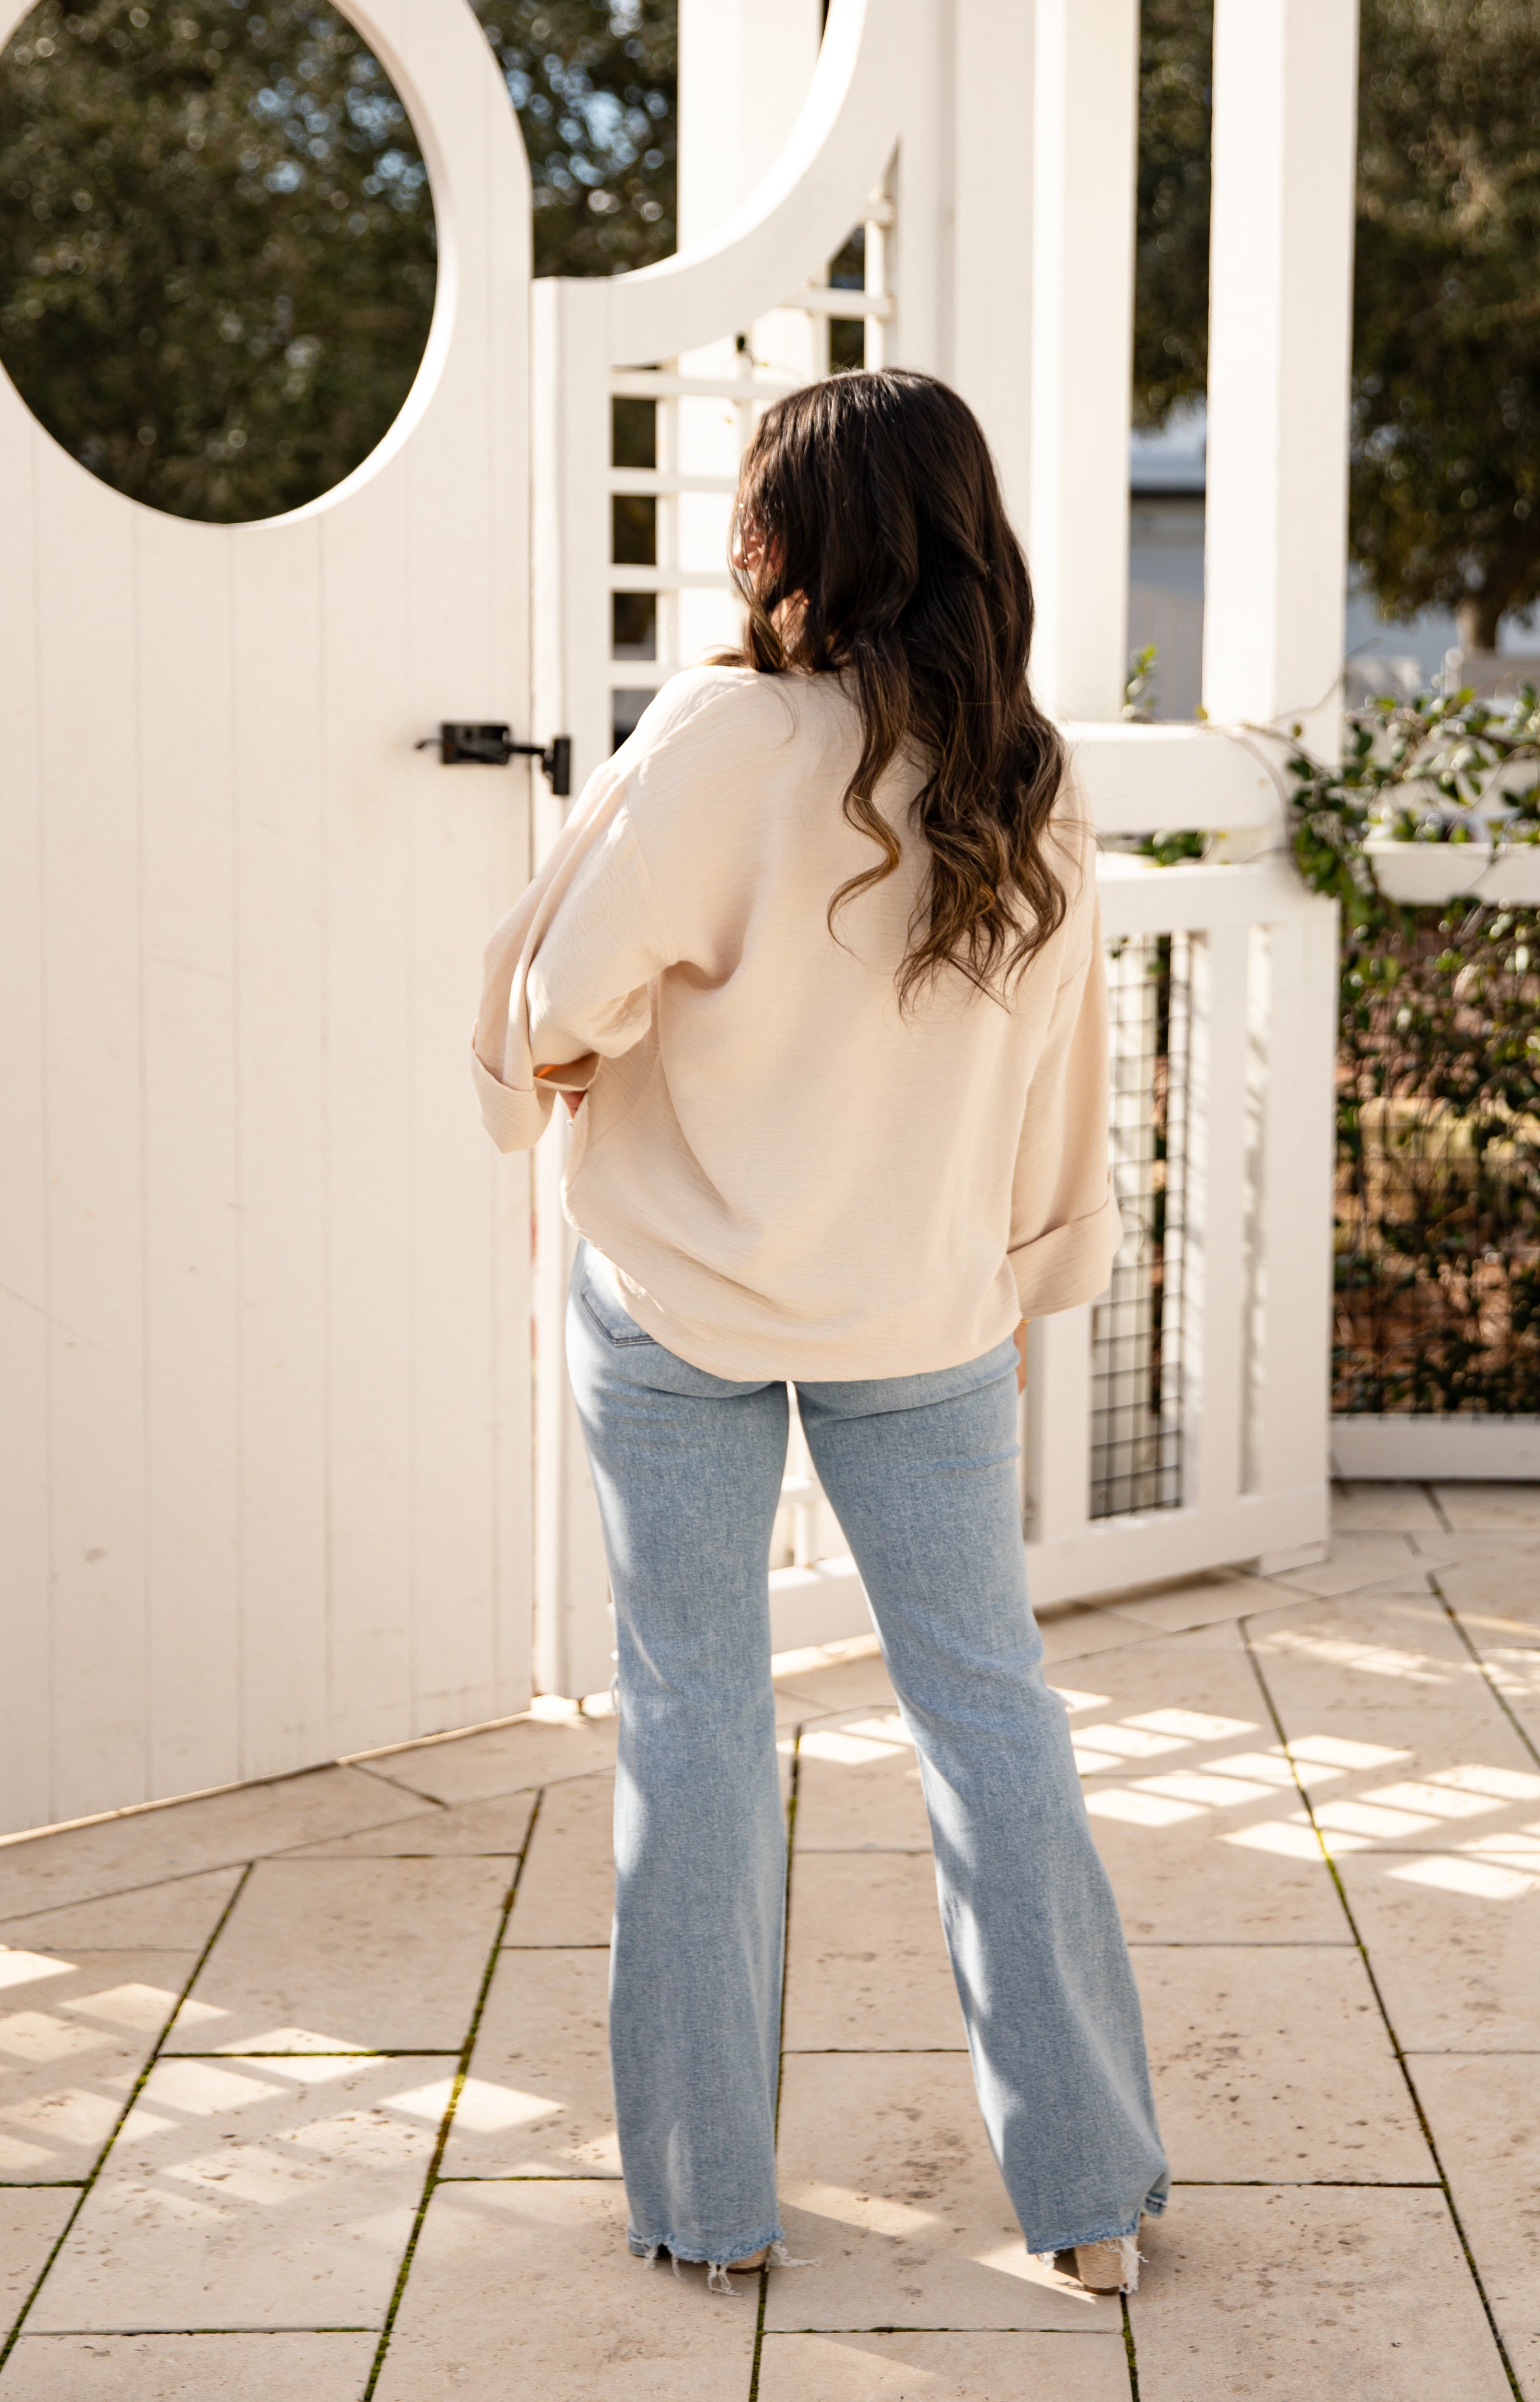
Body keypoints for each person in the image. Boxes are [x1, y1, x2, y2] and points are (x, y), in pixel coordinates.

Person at [472, 368, 1168, 2298]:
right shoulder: (1033, 778)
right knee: (988, 1712)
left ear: (783, 537)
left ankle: (706, 2211)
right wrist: (1017, 1274)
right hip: (921, 1307)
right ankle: (1092, 2202)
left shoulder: (717, 733)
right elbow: (1059, 1073)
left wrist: (584, 1074)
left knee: (694, 1722)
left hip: (675, 1294)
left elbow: (556, 996)